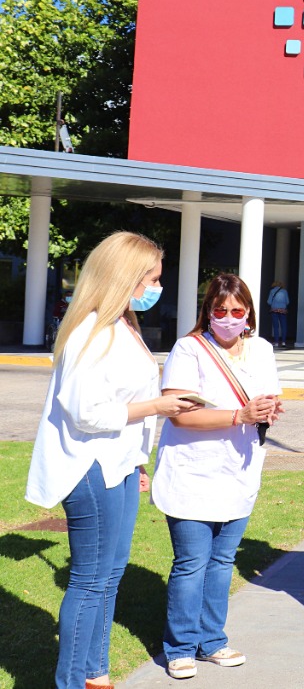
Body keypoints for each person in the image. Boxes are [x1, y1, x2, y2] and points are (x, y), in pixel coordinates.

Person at [25, 232, 198, 689]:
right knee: (90, 580)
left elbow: (124, 399)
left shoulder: (123, 325)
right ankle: (72, 680)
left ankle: (94, 675)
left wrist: (138, 458)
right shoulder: (91, 331)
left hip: (118, 465)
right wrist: (158, 408)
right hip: (90, 467)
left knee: (109, 577)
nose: (156, 288)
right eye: (152, 279)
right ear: (126, 276)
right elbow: (86, 413)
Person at [155, 273, 285, 680]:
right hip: (193, 470)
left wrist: (268, 410)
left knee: (223, 561)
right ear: (208, 311)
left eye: (236, 311)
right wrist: (237, 415)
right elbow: (179, 410)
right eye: (220, 310)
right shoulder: (189, 349)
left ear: (248, 313)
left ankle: (211, 640)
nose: (228, 318)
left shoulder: (261, 349)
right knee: (192, 561)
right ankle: (179, 647)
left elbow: (269, 395)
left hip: (239, 469)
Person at [266, 280, 289, 347]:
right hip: (283, 310)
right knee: (283, 326)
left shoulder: (272, 291)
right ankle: (283, 342)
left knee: (276, 327)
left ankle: (276, 342)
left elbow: (269, 301)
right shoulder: (284, 291)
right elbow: (287, 301)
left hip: (274, 310)